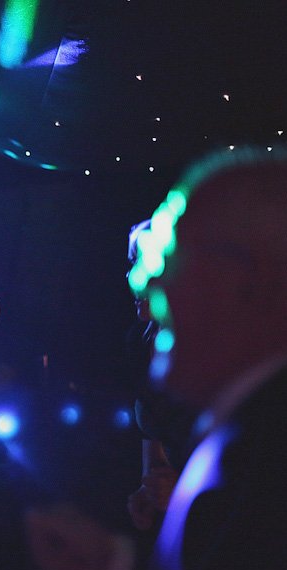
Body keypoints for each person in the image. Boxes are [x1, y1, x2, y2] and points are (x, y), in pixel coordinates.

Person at [26, 147, 287, 570]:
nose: (143, 282)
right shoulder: (268, 416)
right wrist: (116, 564)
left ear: (253, 277)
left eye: (166, 256)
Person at [124, 220, 194, 533]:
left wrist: (184, 486)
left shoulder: (221, 349)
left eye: (146, 262)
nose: (133, 277)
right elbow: (153, 430)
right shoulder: (141, 341)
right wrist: (149, 486)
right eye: (132, 263)